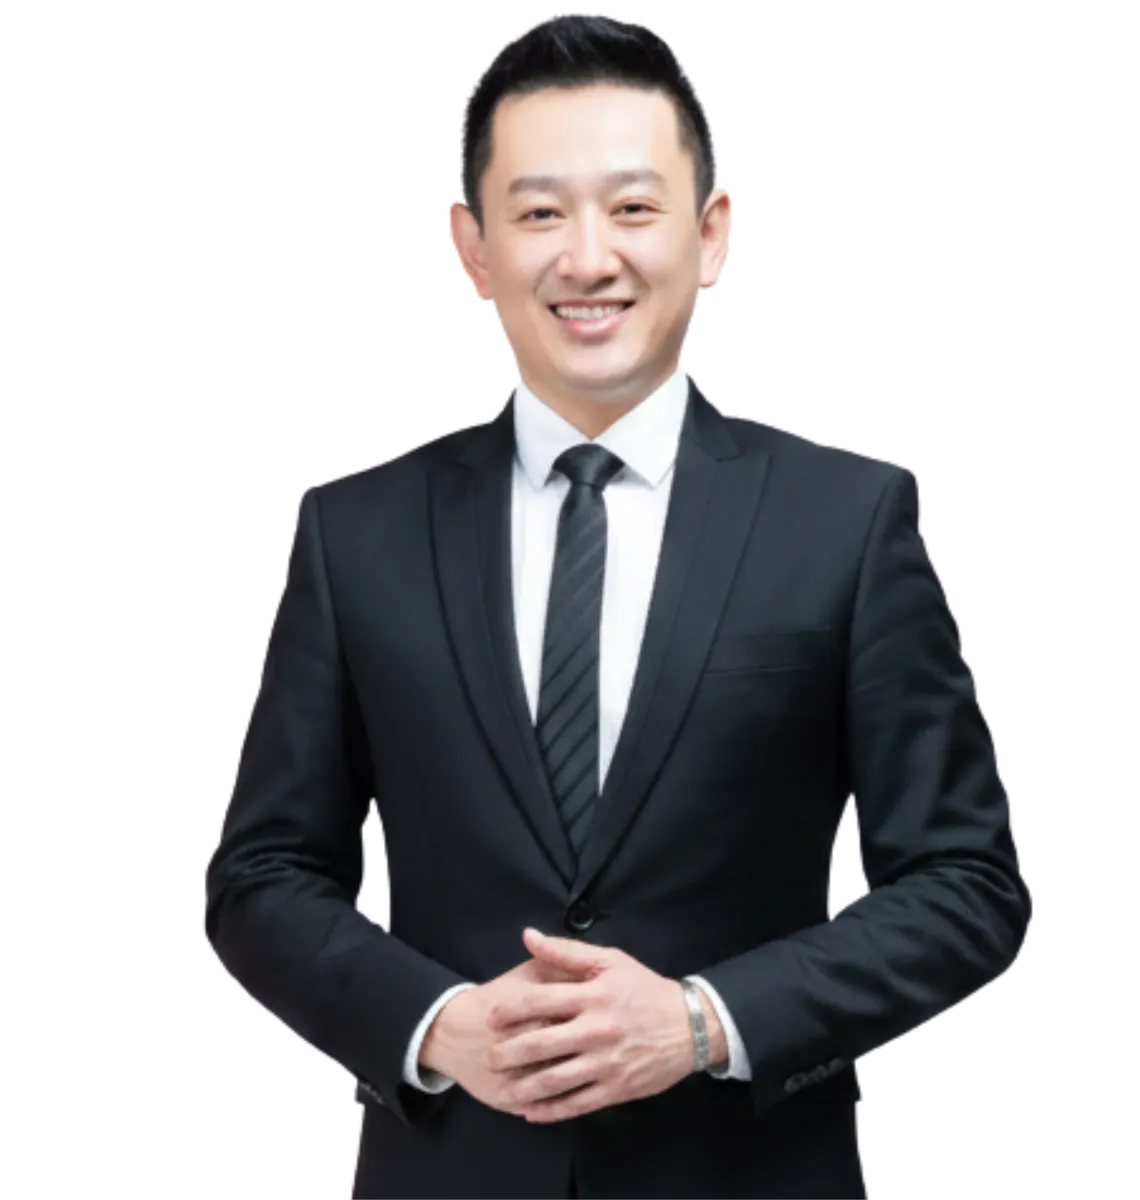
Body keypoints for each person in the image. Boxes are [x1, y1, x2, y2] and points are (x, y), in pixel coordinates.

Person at [202, 10, 1027, 1199]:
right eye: (540, 214)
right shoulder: (354, 533)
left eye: (633, 209)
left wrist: (703, 1021)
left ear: (713, 232)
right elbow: (263, 876)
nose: (589, 260)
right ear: (471, 248)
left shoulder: (848, 519)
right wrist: (434, 1025)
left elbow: (963, 885)